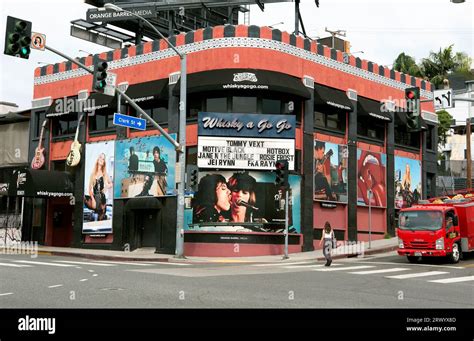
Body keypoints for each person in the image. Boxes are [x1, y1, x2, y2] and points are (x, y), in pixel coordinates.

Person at [84, 153, 112, 221]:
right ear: (97, 159)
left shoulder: (105, 174)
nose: (101, 159)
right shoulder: (92, 174)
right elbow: (90, 189)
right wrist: (93, 198)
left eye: (103, 158)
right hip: (95, 197)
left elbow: (111, 184)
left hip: (102, 198)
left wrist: (106, 187)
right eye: (100, 157)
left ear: (104, 162)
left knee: (101, 217)